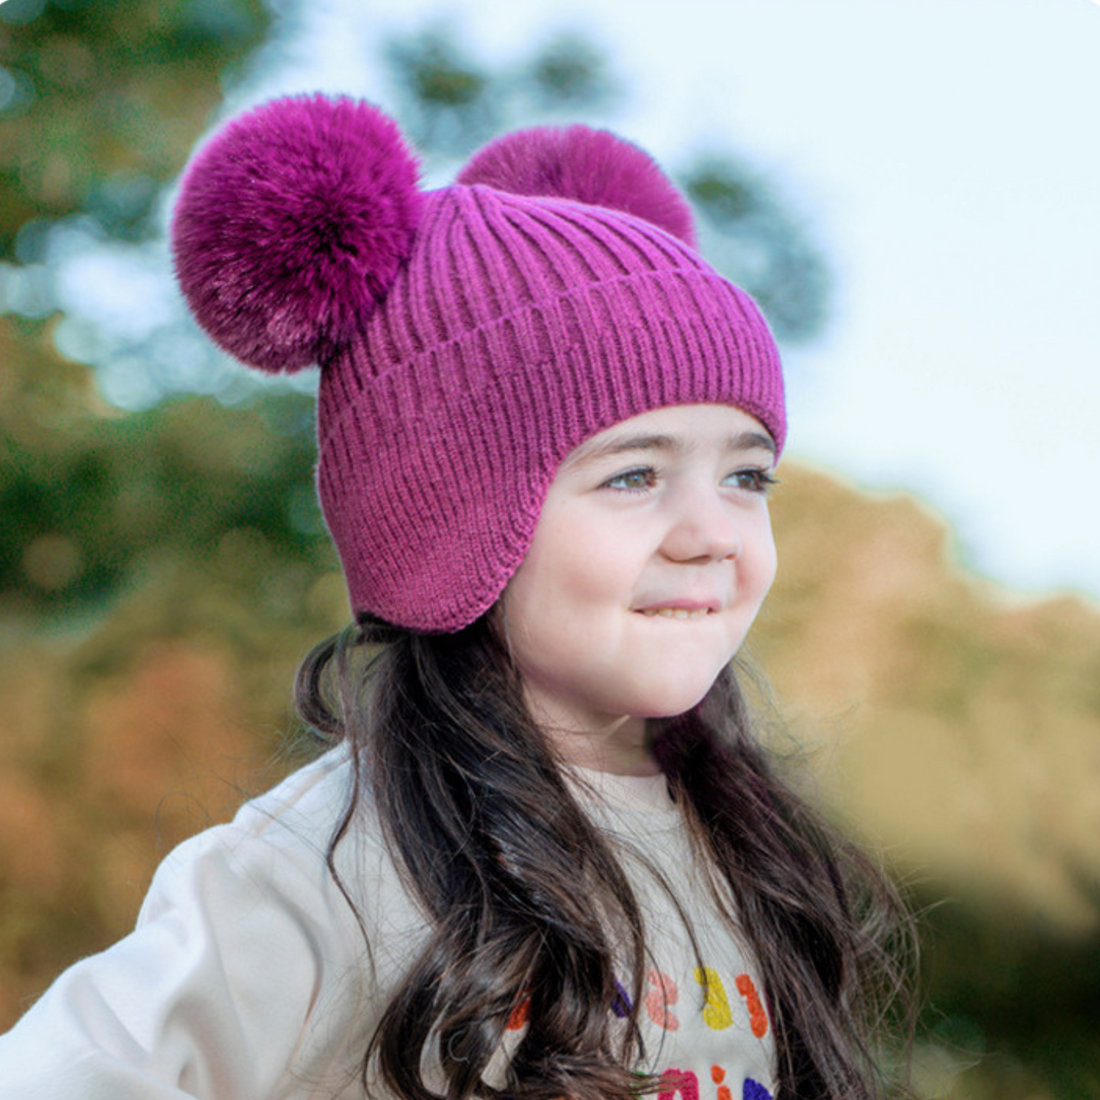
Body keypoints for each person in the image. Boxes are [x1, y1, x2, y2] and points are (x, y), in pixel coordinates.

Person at [0, 94, 913, 1099]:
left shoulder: (739, 843)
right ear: (447, 519)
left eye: (745, 474)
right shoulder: (329, 866)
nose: (710, 532)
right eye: (631, 475)